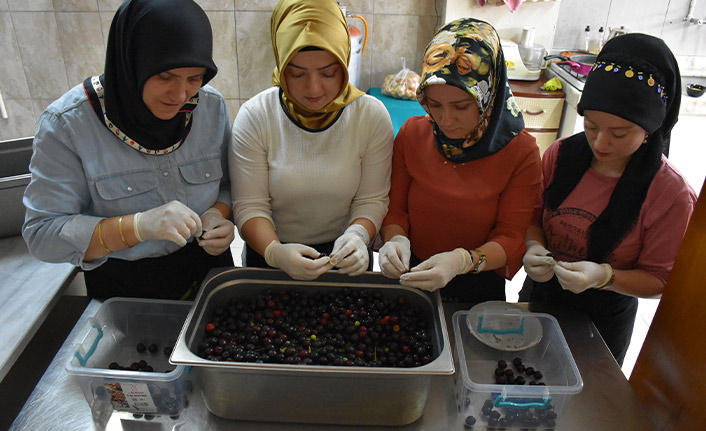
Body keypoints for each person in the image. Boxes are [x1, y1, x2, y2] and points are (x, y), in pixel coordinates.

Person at [22, 0, 235, 300]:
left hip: (209, 271)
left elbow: (228, 185)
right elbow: (43, 235)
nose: (180, 95)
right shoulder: (67, 125)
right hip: (126, 288)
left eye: (194, 78)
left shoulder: (209, 108)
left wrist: (218, 214)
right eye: (165, 76)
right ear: (131, 63)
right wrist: (136, 227)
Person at [520, 33, 697, 365]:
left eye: (619, 134)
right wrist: (534, 247)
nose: (600, 143)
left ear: (649, 130)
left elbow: (660, 280)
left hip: (601, 324)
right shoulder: (561, 155)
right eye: (591, 126)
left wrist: (604, 276)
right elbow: (532, 218)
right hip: (539, 299)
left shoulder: (670, 193)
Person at [378, 18, 542, 302]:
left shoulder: (520, 152)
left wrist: (463, 261)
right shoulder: (413, 134)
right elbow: (395, 209)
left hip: (478, 277)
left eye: (461, 106)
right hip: (412, 268)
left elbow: (512, 237)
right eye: (434, 105)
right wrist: (395, 239)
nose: (446, 120)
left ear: (487, 94)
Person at [229, 0, 394, 281]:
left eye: (328, 73)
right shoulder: (256, 116)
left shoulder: (370, 116)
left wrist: (357, 236)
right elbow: (250, 205)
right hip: (271, 250)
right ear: (281, 66)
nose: (314, 88)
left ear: (344, 63)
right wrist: (273, 252)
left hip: (346, 256)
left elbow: (372, 199)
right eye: (297, 74)